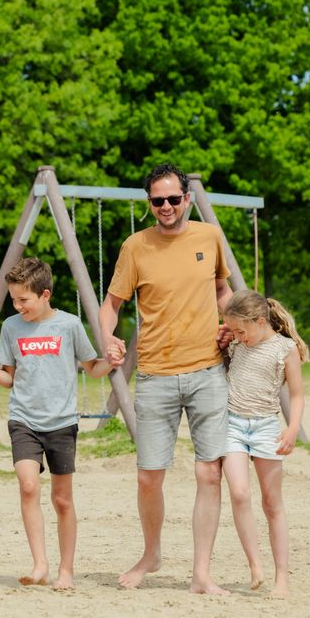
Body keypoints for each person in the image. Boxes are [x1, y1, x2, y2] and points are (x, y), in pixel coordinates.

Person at [99, 163, 233, 593]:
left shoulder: (209, 237)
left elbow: (222, 291)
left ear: (187, 199)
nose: (167, 207)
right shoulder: (135, 247)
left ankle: (201, 573)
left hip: (208, 370)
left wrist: (231, 323)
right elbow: (111, 305)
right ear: (149, 203)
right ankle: (151, 553)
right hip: (155, 374)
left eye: (174, 199)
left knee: (209, 473)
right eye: (158, 201)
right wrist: (109, 339)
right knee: (148, 475)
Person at [0, 257, 117, 590]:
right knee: (28, 486)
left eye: (23, 299)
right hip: (24, 420)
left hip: (62, 423)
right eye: (13, 299)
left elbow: (93, 367)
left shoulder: (70, 325)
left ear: (45, 295)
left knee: (62, 500)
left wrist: (111, 362)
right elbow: (7, 379)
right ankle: (40, 564)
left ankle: (66, 570)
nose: (17, 306)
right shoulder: (12, 327)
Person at [220, 289, 307, 597]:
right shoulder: (234, 344)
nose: (238, 336)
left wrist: (292, 428)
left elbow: (296, 395)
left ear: (259, 322)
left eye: (241, 330)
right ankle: (255, 564)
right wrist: (228, 335)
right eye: (233, 331)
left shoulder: (284, 349)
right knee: (239, 493)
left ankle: (282, 576)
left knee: (272, 504)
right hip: (232, 425)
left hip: (266, 427)